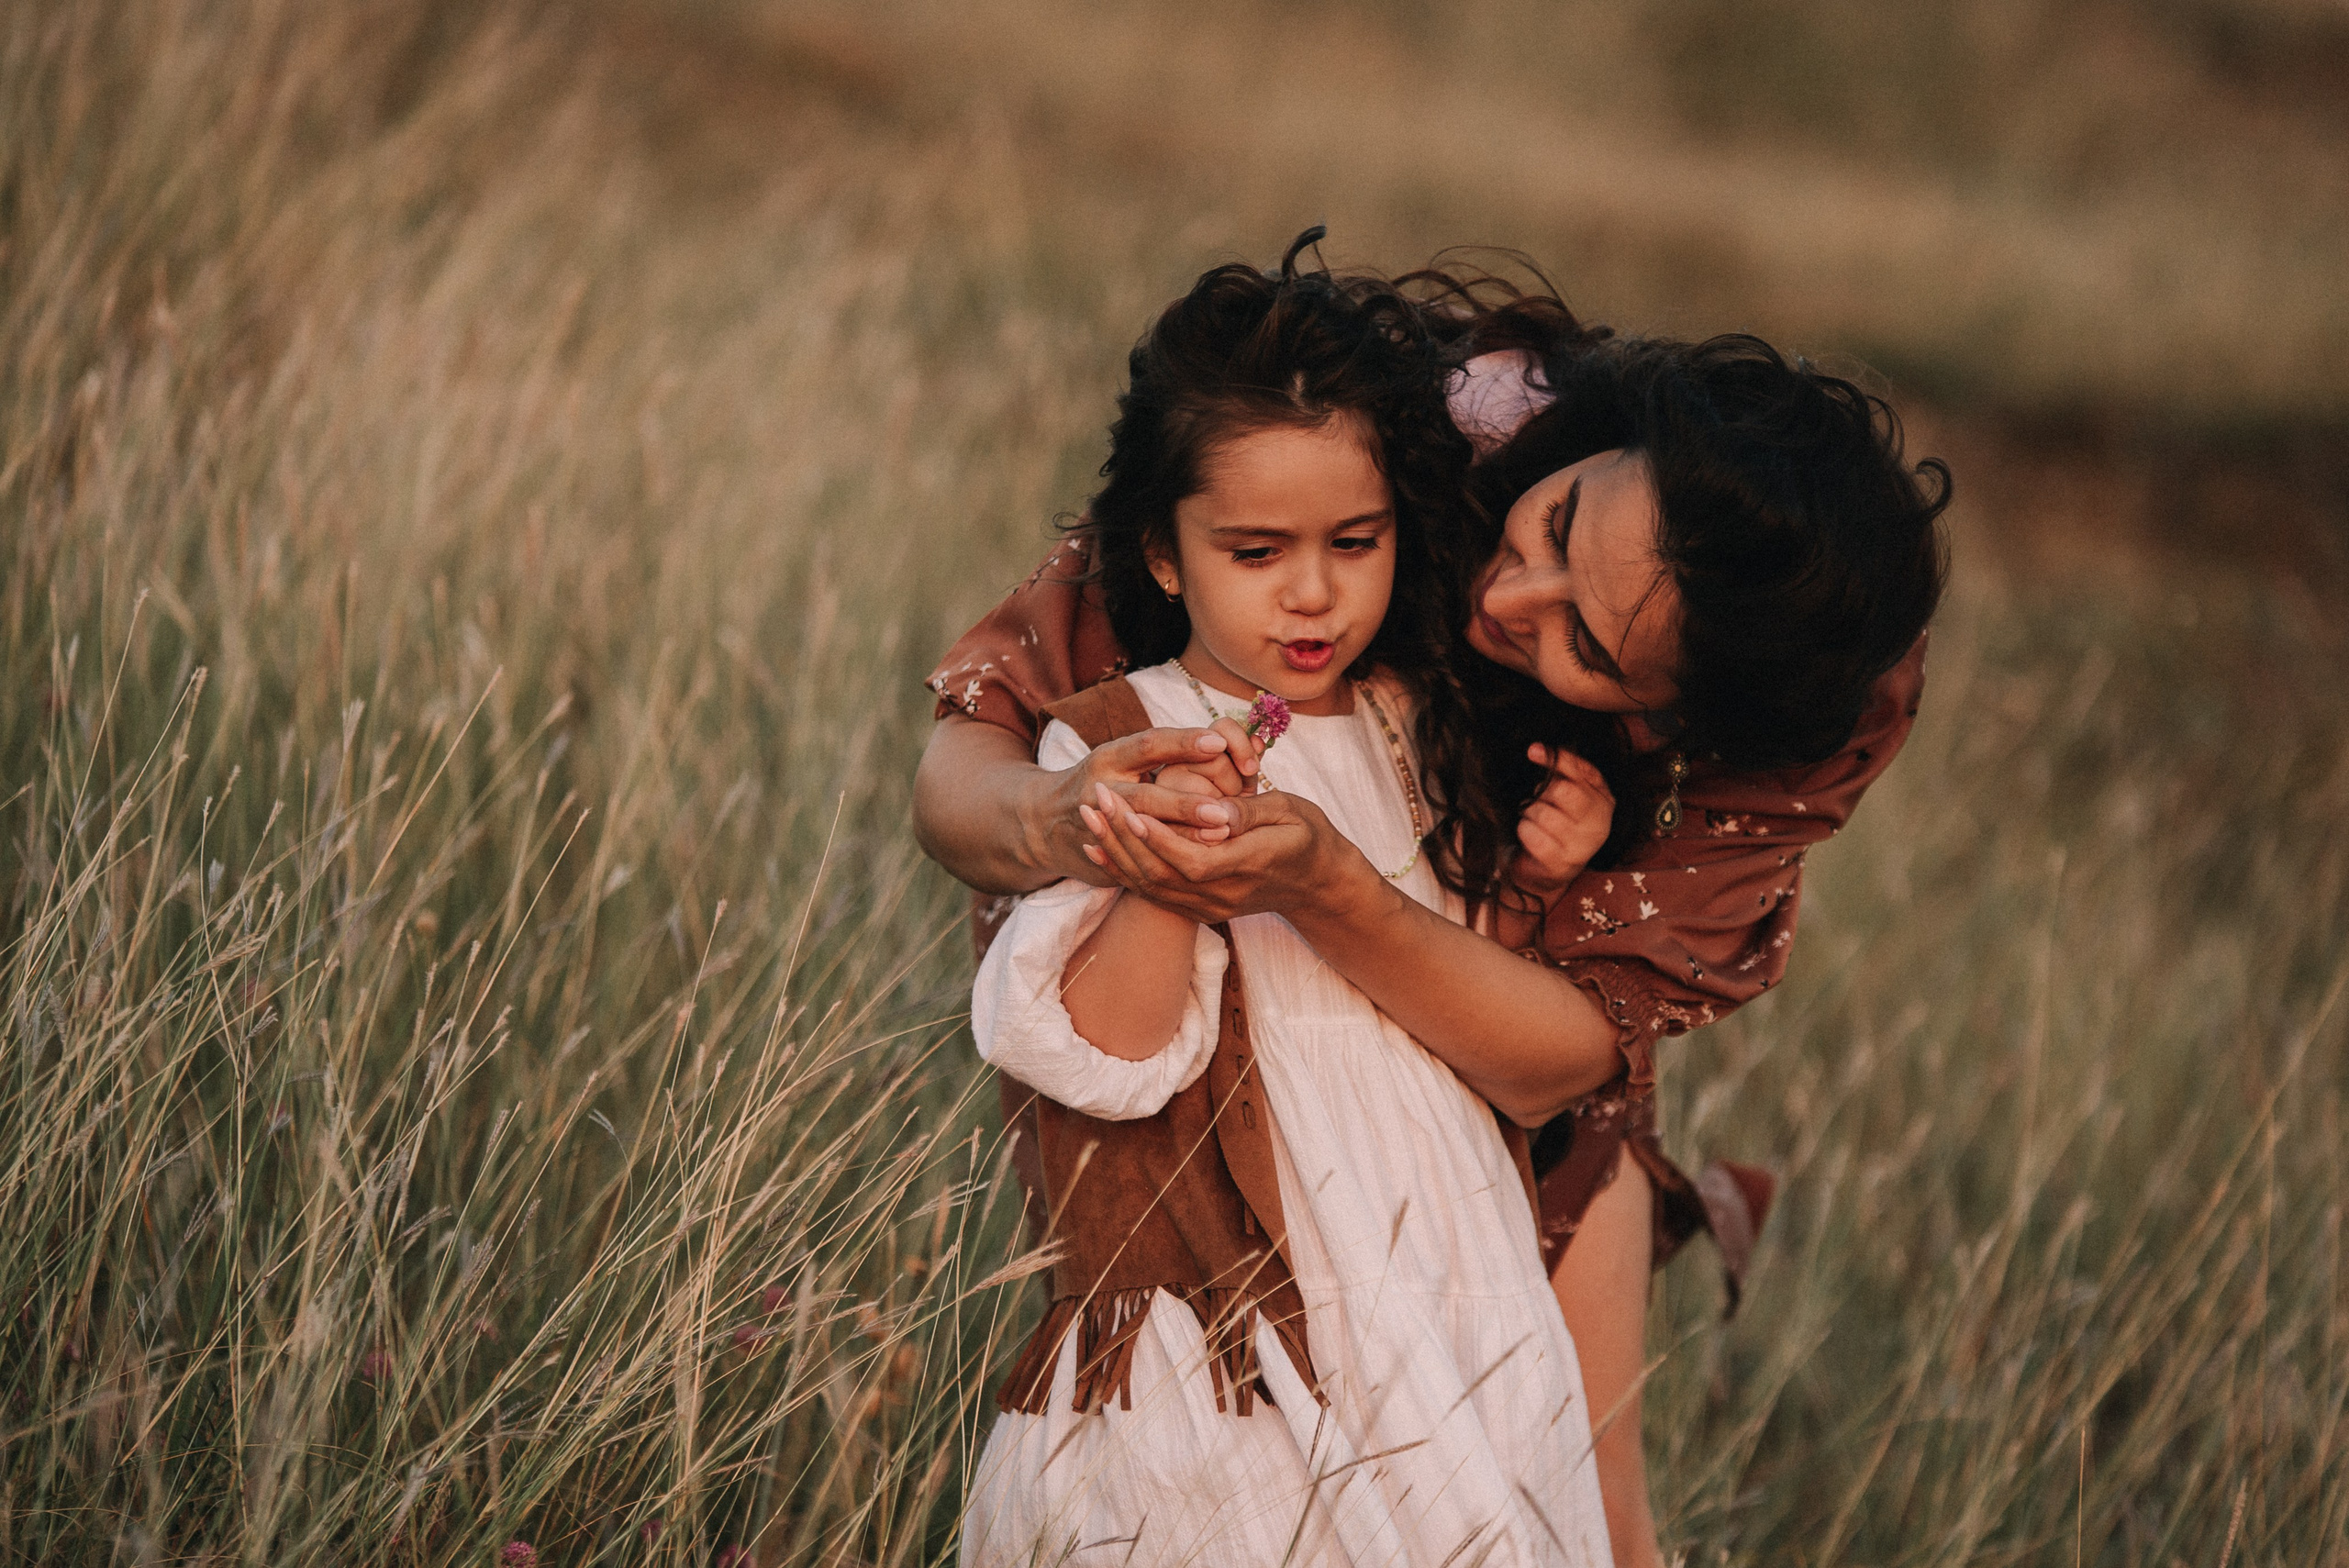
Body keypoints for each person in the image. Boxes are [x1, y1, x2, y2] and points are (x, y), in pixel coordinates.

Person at [919, 246, 1950, 1567]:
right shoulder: (1366, 426)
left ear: (1676, 719)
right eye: (1559, 526)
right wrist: (1067, 824)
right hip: (1209, 1061)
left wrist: (1363, 881)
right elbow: (969, 750)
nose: (1506, 600)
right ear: (1596, 435)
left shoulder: (1805, 718)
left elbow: (1572, 1050)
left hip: (1481, 1067)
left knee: (1575, 1488)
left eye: (1590, 645)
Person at [959, 237, 1614, 1567]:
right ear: (1161, 554)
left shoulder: (1417, 727)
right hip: (1245, 1291)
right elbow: (1105, 1055)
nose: (1313, 592)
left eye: (1353, 544)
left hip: (1446, 1268)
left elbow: (1460, 1006)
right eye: (1256, 551)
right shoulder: (1125, 736)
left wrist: (1542, 871)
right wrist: (1168, 875)